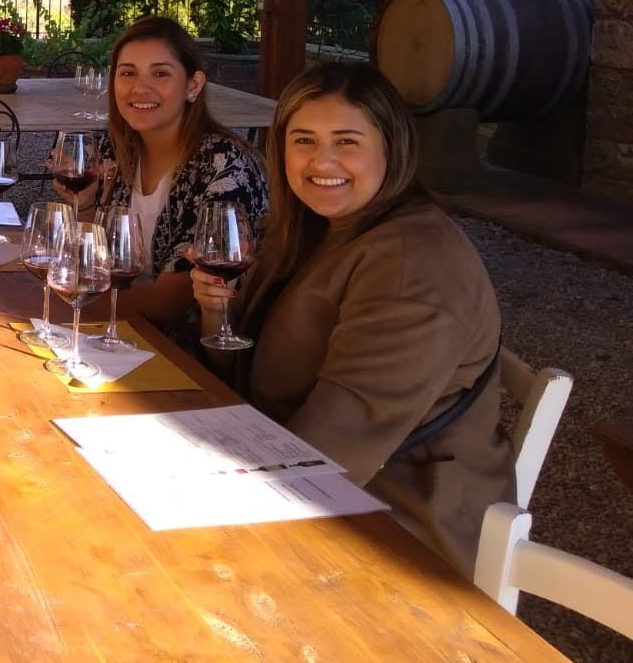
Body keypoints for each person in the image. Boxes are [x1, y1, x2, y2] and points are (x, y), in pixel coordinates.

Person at [190, 61, 512, 574]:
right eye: (304, 140)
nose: (322, 160)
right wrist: (216, 309)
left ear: (391, 147)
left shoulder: (413, 265)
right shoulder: (309, 228)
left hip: (392, 531)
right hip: (280, 465)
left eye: (346, 141)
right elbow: (234, 367)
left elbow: (326, 456)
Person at [54, 16, 268, 347]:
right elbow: (97, 263)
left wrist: (62, 311)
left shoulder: (225, 164)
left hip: (185, 352)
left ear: (193, 85)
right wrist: (85, 207)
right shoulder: (116, 150)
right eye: (128, 73)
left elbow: (172, 301)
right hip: (115, 337)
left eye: (160, 74)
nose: (140, 88)